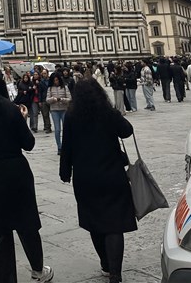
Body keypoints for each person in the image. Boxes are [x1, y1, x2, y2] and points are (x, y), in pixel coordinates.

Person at [0, 71, 54, 283]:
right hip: (15, 174)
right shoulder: (11, 110)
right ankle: (38, 270)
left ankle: (2, 279)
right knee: (26, 224)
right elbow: (28, 144)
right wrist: (22, 119)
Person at [59, 79, 136, 283]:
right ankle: (115, 273)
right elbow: (127, 131)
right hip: (112, 175)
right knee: (115, 225)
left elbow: (66, 146)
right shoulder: (107, 113)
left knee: (94, 221)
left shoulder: (71, 116)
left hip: (85, 178)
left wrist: (65, 171)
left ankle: (105, 264)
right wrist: (114, 113)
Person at [46, 74, 71, 154]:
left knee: (66, 129)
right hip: (54, 110)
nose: (55, 82)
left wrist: (62, 99)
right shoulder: (50, 88)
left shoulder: (65, 87)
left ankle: (66, 145)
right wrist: (53, 99)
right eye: (54, 80)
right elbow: (47, 100)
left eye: (57, 80)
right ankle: (59, 147)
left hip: (64, 109)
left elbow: (69, 98)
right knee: (57, 129)